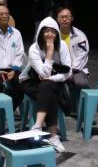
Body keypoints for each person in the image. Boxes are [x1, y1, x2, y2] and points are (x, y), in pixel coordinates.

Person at [20, 17, 72, 153]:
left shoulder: (62, 45)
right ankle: (53, 135)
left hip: (52, 81)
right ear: (41, 33)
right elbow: (43, 74)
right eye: (46, 31)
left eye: (53, 31)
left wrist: (52, 78)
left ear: (57, 33)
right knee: (49, 91)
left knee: (47, 87)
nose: (50, 34)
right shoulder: (34, 48)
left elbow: (68, 71)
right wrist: (49, 52)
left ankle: (37, 126)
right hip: (31, 82)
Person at [55, 7, 90, 114]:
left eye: (67, 17)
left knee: (80, 82)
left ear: (72, 18)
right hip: (58, 68)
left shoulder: (80, 35)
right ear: (57, 19)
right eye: (61, 17)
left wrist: (71, 70)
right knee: (51, 83)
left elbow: (82, 56)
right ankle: (62, 108)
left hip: (76, 69)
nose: (64, 19)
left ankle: (82, 109)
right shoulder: (53, 35)